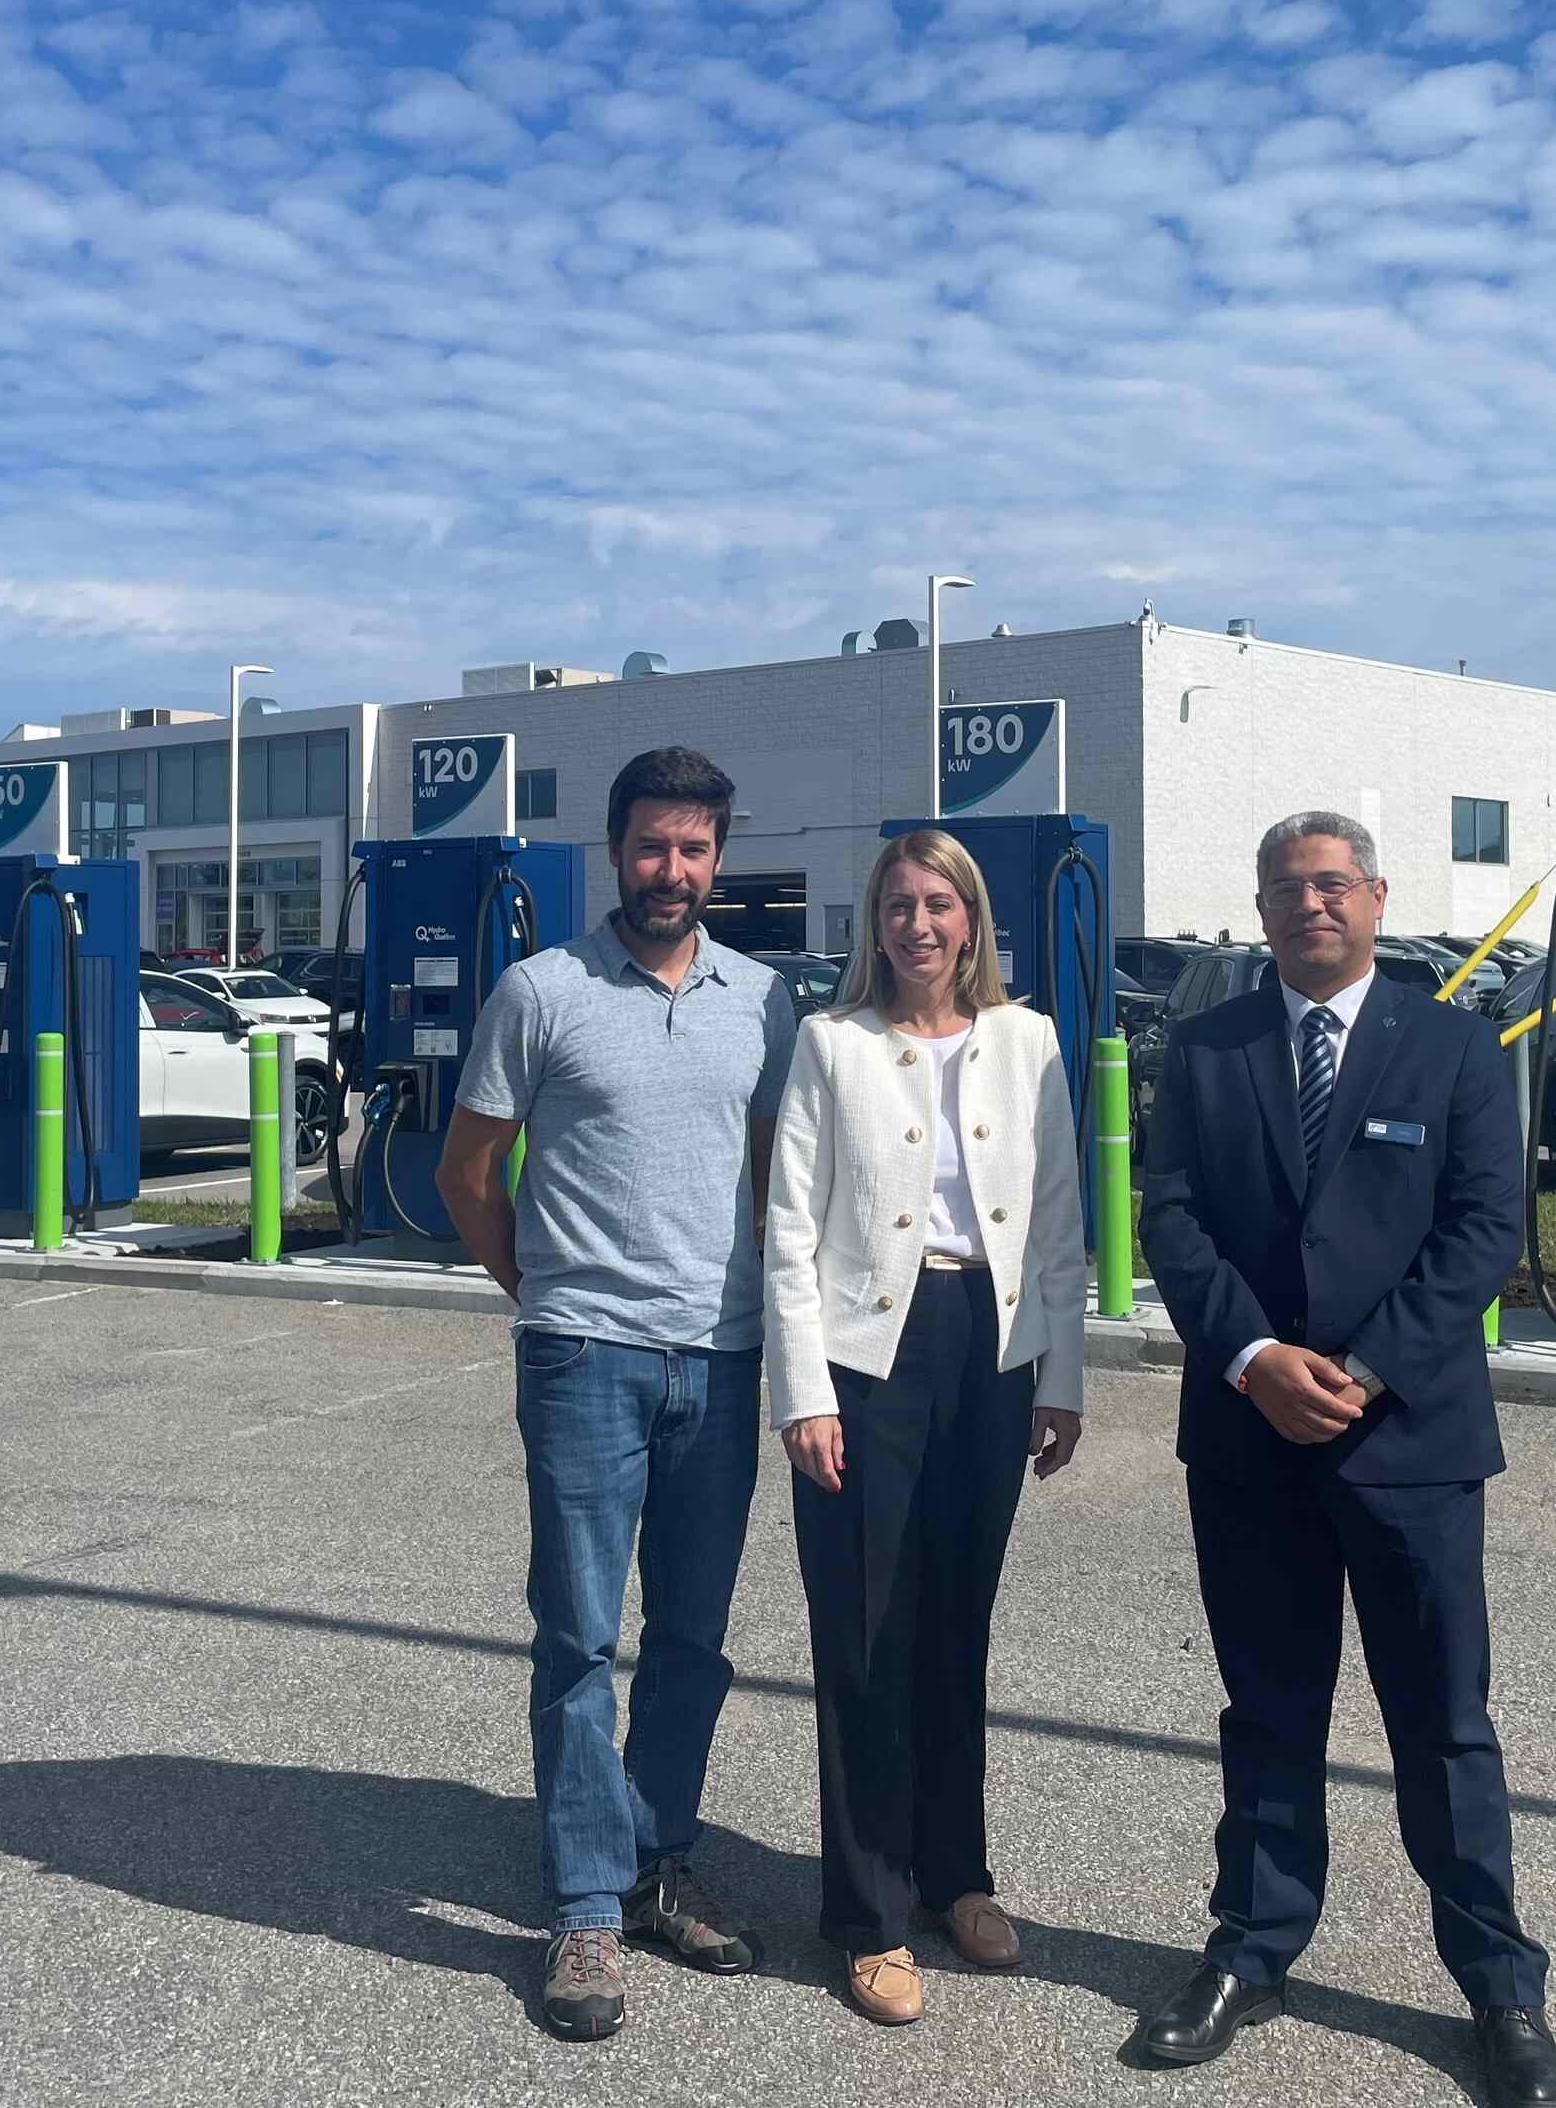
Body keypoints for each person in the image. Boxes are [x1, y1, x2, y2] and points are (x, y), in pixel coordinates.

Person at [1133, 811, 1556, 2108]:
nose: (1311, 903)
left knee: (1443, 1722)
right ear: (1261, 910)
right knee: (1268, 1711)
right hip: (1250, 1439)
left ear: (1377, 897)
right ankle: (1253, 1945)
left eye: (1333, 884)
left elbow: (1485, 1227)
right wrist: (1256, 1357)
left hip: (1411, 1445)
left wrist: (1367, 1367)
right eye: (1287, 887)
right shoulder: (1204, 1049)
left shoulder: (1452, 1044)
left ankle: (1501, 1983)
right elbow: (1171, 1213)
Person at [439, 745, 799, 2044]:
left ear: (718, 856)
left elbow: (773, 1177)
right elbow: (469, 1169)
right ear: (616, 849)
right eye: (652, 845)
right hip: (586, 1350)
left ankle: (658, 1859)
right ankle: (588, 1898)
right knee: (580, 1632)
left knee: (693, 1636)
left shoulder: (763, 999)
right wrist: (540, 1291)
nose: (672, 869)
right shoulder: (541, 991)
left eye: (695, 847)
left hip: (723, 1349)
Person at [762, 827, 1088, 2026]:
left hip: (990, 1345)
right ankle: (866, 1911)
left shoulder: (1029, 1040)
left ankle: (958, 1875)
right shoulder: (830, 1044)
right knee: (864, 1631)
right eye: (898, 904)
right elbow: (789, 1226)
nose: (919, 925)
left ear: (973, 919)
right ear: (874, 923)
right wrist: (803, 1389)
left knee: (956, 1622)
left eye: (939, 903)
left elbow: (1058, 1217)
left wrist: (1064, 1376)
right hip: (866, 1355)